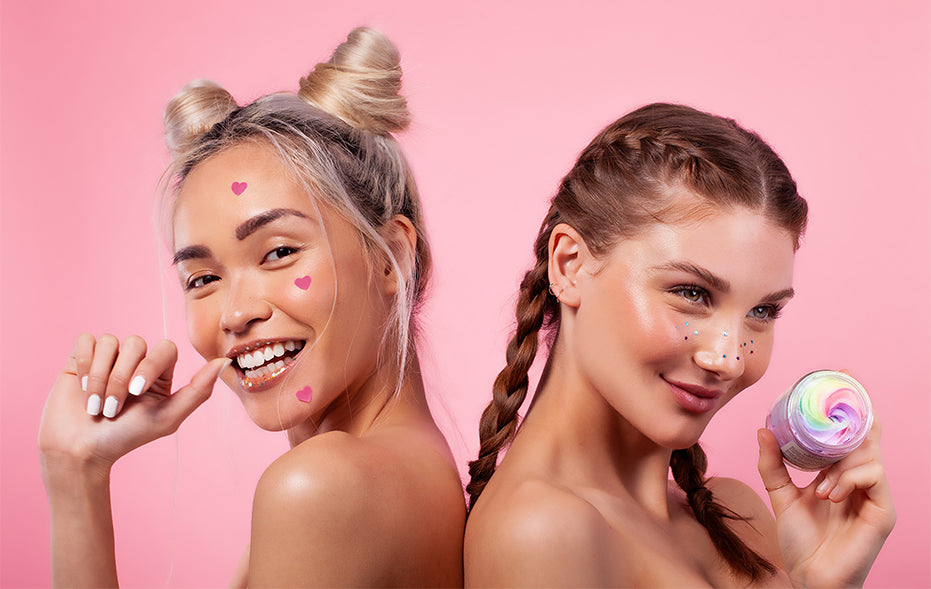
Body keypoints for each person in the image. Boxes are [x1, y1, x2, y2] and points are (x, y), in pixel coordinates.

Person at [39, 27, 465, 587]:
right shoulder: (403, 473)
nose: (234, 313)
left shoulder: (319, 486)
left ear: (391, 258)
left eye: (280, 252)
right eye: (203, 277)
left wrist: (73, 488)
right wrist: (75, 467)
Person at [464, 103, 895, 587]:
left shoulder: (737, 516)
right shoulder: (542, 532)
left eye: (763, 311)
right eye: (691, 293)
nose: (728, 360)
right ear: (569, 265)